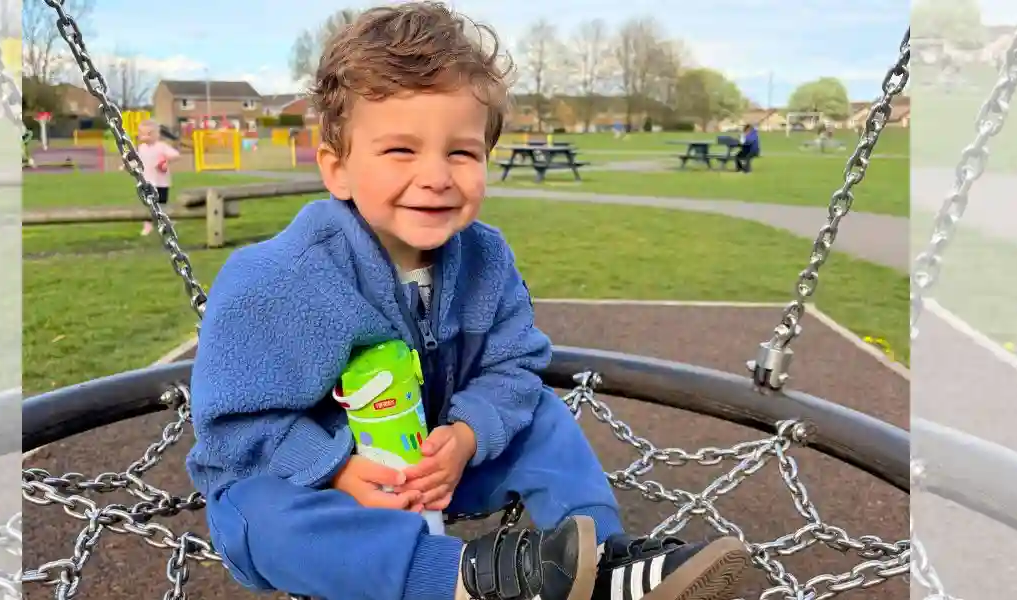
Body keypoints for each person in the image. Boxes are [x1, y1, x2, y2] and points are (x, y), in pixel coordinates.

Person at [184, 3, 751, 600]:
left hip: (433, 462)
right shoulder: (279, 278)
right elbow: (234, 425)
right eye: (401, 151)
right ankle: (460, 580)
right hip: (312, 485)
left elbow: (514, 367)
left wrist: (465, 439)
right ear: (338, 169)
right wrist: (338, 470)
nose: (436, 176)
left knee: (541, 417)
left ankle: (604, 561)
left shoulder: (485, 258)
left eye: (461, 152)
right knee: (262, 516)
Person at [136, 119, 181, 235]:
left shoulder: (162, 146)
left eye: (149, 133)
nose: (145, 136)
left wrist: (165, 160)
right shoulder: (141, 148)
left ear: (157, 134)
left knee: (162, 203)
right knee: (148, 203)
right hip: (147, 182)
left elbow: (176, 155)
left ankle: (165, 222)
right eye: (142, 133)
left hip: (162, 182)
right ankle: (148, 225)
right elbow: (137, 161)